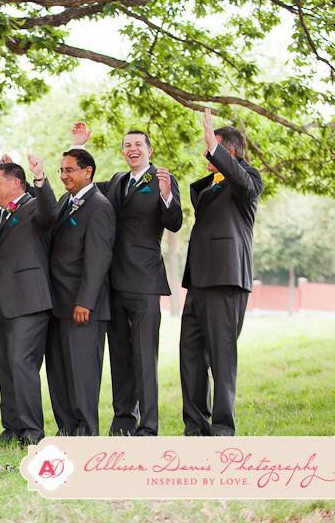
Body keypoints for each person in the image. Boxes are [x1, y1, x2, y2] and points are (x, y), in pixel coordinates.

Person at [70, 122, 183, 436]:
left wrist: (166, 197)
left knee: (144, 357)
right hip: (114, 284)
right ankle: (123, 422)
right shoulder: (117, 181)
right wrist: (79, 145)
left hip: (145, 283)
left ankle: (148, 425)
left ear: (149, 150)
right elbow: (84, 187)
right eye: (127, 145)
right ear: (123, 152)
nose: (132, 149)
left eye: (138, 145)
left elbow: (174, 222)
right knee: (119, 356)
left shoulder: (162, 179)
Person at [180, 109, 264, 436]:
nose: (205, 152)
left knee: (222, 358)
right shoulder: (209, 186)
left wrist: (213, 144)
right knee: (191, 357)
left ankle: (223, 430)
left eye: (212, 148)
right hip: (198, 282)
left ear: (229, 151)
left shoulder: (248, 179)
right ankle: (195, 428)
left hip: (227, 280)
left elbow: (241, 180)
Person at [39, 149, 115, 436]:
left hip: (83, 307)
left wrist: (85, 301)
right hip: (57, 304)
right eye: (61, 170)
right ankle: (66, 428)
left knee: (82, 372)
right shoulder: (64, 202)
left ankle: (86, 430)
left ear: (88, 172)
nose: (64, 175)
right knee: (59, 372)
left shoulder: (100, 206)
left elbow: (98, 258)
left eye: (69, 170)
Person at [0, 161, 57, 445]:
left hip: (29, 301)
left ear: (15, 184)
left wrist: (40, 179)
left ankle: (32, 431)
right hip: (2, 304)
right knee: (6, 365)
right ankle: (11, 426)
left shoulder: (35, 208)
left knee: (22, 363)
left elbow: (50, 212)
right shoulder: (1, 216)